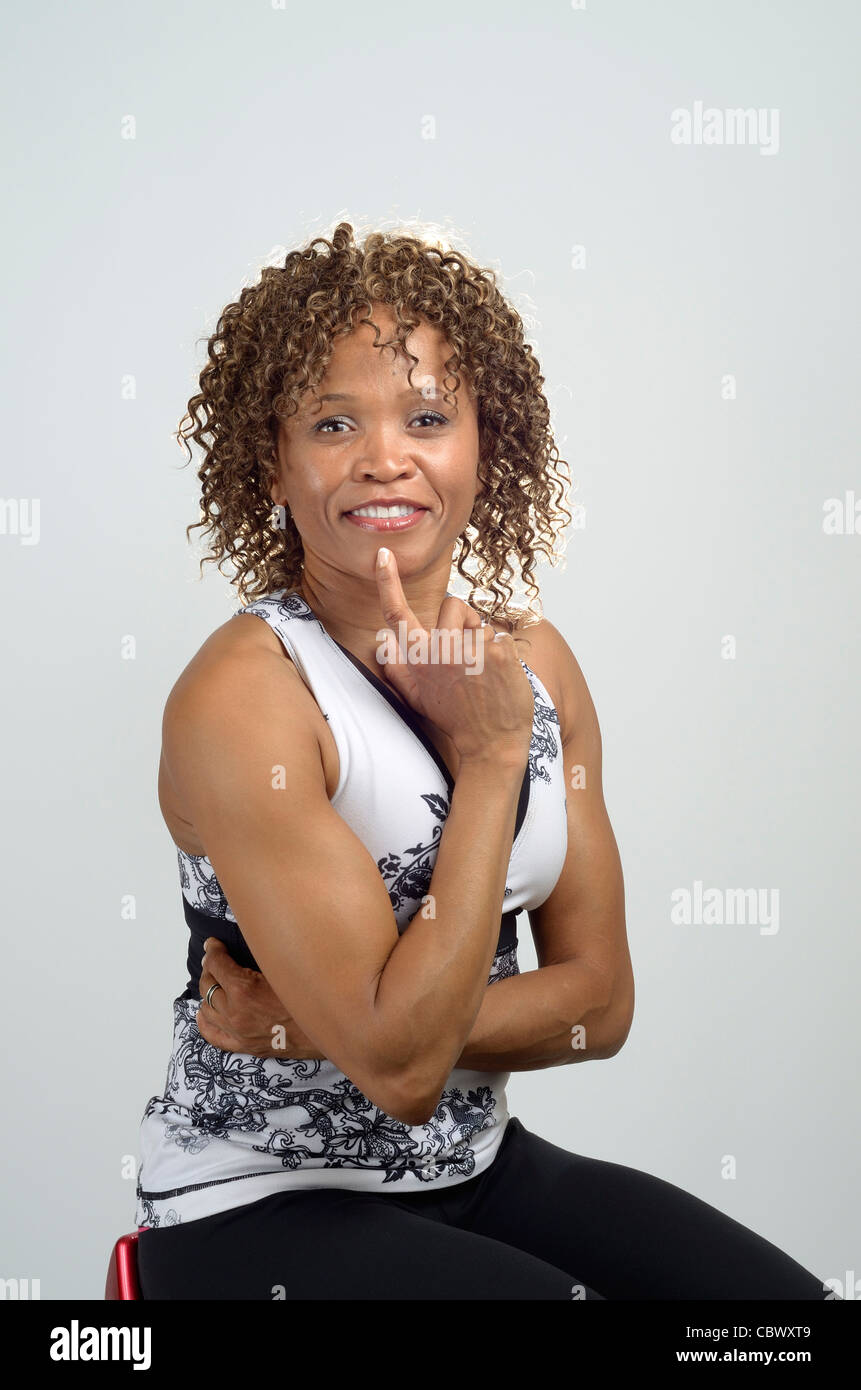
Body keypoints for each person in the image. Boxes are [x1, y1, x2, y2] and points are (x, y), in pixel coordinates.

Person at [134, 221, 829, 1300]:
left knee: (783, 1323)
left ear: (483, 441)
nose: (384, 457)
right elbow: (402, 1074)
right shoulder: (248, 698)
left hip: (477, 1168)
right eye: (332, 421)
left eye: (426, 416)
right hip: (259, 1202)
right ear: (272, 455)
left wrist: (308, 1026)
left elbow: (599, 1003)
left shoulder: (539, 663)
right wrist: (494, 756)